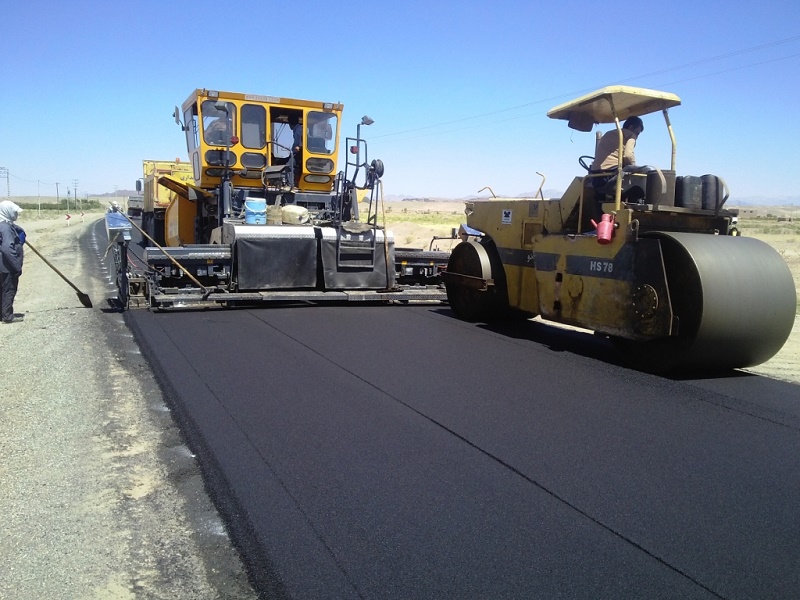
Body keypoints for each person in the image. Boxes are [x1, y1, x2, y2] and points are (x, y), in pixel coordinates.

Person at [0, 200, 25, 324]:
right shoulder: (5, 228)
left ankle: (2, 314)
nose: (16, 215)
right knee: (8, 289)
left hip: (2, 265)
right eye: (15, 212)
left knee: (2, 289)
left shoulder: (4, 225)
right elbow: (7, 248)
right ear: (7, 212)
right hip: (6, 266)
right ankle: (8, 316)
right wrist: (16, 266)